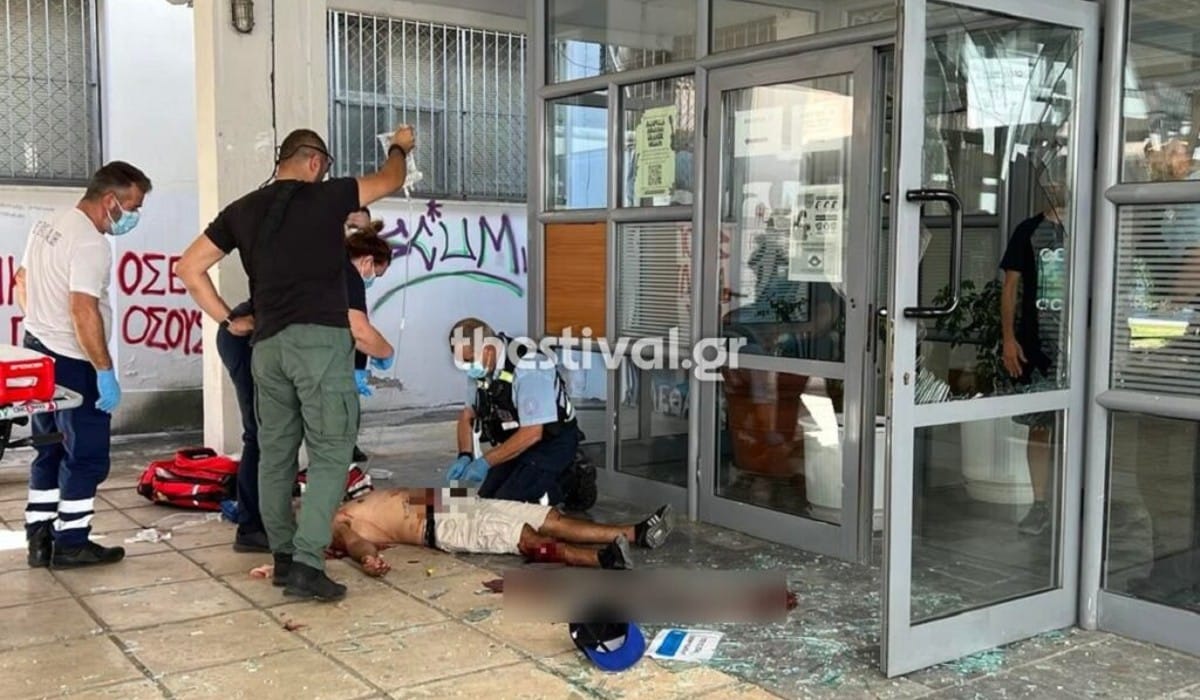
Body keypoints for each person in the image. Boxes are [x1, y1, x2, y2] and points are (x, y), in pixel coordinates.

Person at [177, 125, 416, 603]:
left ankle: (284, 557)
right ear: (314, 162)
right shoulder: (327, 197)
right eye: (324, 168)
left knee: (275, 454)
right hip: (319, 344)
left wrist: (228, 320)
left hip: (267, 347)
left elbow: (188, 267)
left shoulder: (242, 210)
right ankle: (307, 564)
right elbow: (391, 179)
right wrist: (400, 147)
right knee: (330, 453)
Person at [14, 161, 152, 569]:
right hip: (73, 362)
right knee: (87, 455)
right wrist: (103, 370)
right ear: (110, 201)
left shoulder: (49, 222)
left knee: (49, 448)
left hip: (38, 354)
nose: (134, 216)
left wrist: (41, 326)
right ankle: (72, 542)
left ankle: (39, 539)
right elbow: (82, 310)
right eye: (132, 207)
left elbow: (21, 280)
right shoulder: (91, 243)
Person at [330, 488, 673, 576]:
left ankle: (636, 533)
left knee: (550, 518)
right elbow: (354, 542)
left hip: (451, 501)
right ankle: (601, 559)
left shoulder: (340, 500)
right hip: (439, 523)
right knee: (524, 538)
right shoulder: (329, 520)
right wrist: (369, 559)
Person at [446, 317, 585, 505]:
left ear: (488, 349)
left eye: (468, 360)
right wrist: (464, 455)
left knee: (510, 505)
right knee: (487, 499)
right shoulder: (482, 367)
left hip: (551, 442)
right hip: (516, 440)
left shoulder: (530, 367)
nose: (466, 367)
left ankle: (572, 478)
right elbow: (467, 415)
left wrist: (486, 461)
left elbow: (533, 432)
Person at [1000, 185, 1067, 537]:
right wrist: (1009, 339)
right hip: (1037, 345)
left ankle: (1074, 504)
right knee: (1039, 428)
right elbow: (1010, 287)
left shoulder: (1091, 228)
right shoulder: (1028, 230)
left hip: (1080, 345)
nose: (1057, 187)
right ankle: (1040, 504)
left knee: (1081, 427)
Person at [215, 299, 269, 552]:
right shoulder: (341, 281)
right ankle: (250, 528)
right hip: (248, 337)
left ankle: (263, 517)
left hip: (258, 336)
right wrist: (229, 320)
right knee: (259, 433)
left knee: (267, 434)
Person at [345, 228, 395, 462]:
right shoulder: (349, 277)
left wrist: (357, 366)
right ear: (367, 261)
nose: (373, 279)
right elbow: (358, 332)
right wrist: (386, 352)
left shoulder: (332, 272)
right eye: (377, 273)